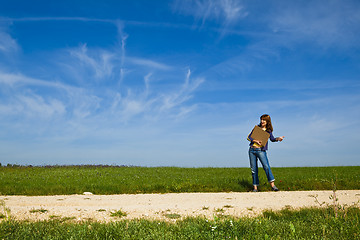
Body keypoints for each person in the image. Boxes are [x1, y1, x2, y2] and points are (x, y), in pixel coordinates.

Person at [247, 114, 284, 192]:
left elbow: (272, 139)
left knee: (266, 167)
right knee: (254, 169)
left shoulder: (268, 131)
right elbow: (249, 137)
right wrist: (255, 140)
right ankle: (255, 188)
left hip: (261, 151)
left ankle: (273, 186)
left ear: (267, 121)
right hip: (252, 150)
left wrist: (278, 139)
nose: (262, 121)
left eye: (264, 120)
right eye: (261, 119)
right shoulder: (257, 128)